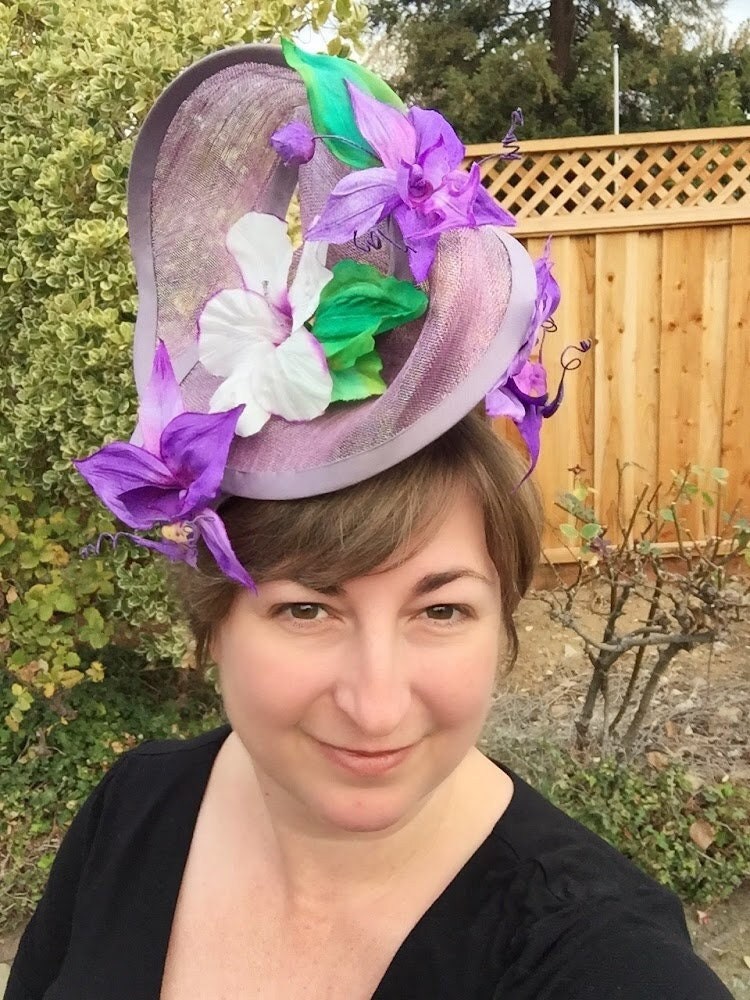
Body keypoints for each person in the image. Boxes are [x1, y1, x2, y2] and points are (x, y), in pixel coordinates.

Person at [4, 41, 733, 1000]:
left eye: (442, 611)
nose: (376, 705)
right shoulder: (130, 817)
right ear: (213, 622)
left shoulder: (598, 964)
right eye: (309, 609)